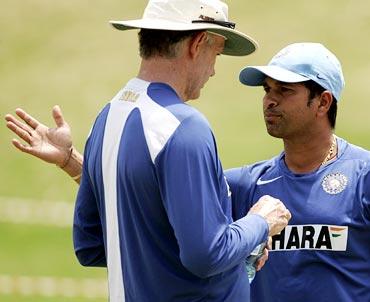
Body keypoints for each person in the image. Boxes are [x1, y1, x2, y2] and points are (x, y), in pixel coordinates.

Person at [5, 0, 291, 301]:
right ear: (197, 43)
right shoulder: (185, 127)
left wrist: (72, 162)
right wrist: (260, 222)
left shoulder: (108, 116)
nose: (214, 71)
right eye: (216, 53)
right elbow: (206, 254)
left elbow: (93, 244)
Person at [225, 42, 370, 301]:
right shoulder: (245, 184)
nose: (270, 100)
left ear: (323, 102)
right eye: (267, 90)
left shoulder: (364, 177)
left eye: (285, 90)